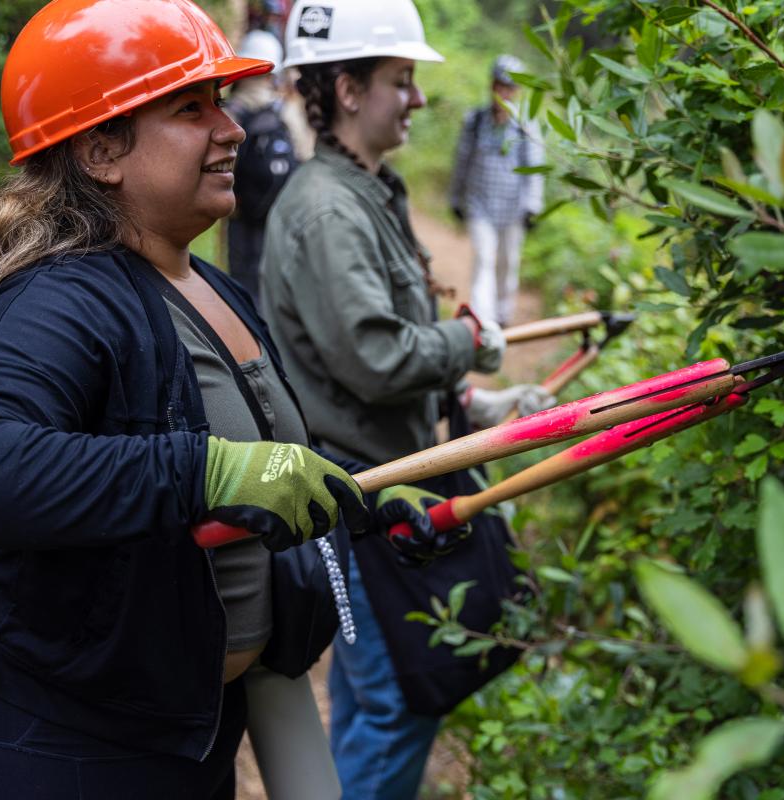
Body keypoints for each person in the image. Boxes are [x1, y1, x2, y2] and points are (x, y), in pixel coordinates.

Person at [0, 1, 415, 797]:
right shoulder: (59, 300)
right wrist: (207, 473)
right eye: (190, 108)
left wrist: (361, 496)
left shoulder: (207, 284)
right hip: (50, 749)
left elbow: (244, 450)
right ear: (102, 148)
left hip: (178, 736)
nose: (233, 129)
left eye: (220, 103)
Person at [261, 2, 555, 797]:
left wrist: (477, 403)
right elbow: (376, 356)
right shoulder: (328, 209)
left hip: (388, 480)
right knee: (398, 697)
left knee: (373, 688)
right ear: (349, 90)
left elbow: (387, 341)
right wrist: (471, 343)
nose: (418, 99)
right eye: (402, 80)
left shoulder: (366, 192)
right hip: (362, 499)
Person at [449, 54, 546, 327]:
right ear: (491, 86)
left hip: (513, 209)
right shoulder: (475, 121)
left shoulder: (527, 126)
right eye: (499, 85)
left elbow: (535, 169)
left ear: (517, 91)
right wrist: (455, 199)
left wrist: (532, 206)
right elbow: (462, 161)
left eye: (509, 87)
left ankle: (502, 316)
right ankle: (483, 320)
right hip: (480, 206)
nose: (503, 92)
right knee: (483, 260)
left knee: (507, 264)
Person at [225, 29, 302, 301]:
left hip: (241, 212)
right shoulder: (285, 112)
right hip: (278, 211)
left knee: (241, 282)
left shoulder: (231, 112)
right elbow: (303, 156)